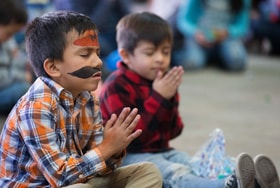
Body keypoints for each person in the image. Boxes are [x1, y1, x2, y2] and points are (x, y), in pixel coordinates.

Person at [99, 12, 280, 188]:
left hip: (162, 150)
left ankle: (252, 179)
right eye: (150, 53)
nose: (160, 59)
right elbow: (131, 139)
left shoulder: (161, 80)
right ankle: (226, 185)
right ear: (126, 56)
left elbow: (174, 131)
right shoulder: (116, 86)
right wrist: (159, 98)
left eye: (165, 52)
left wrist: (170, 99)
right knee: (176, 173)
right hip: (129, 156)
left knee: (195, 163)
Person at [0, 10, 162, 188]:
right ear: (53, 67)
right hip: (46, 184)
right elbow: (61, 178)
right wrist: (106, 148)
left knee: (146, 171)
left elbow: (96, 168)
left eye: (97, 53)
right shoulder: (36, 107)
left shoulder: (87, 98)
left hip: (79, 181)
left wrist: (114, 149)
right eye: (85, 55)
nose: (98, 62)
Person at [175, 0, 251, 71]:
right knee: (191, 62)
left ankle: (213, 57)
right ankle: (210, 57)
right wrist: (195, 33)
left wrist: (228, 32)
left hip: (226, 39)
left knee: (237, 62)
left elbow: (242, 26)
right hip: (198, 38)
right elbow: (183, 20)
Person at [0, 0, 32, 114]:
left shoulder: (5, 39)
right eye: (9, 33)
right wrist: (23, 76)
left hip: (8, 80)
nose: (10, 38)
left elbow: (14, 59)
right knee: (23, 89)